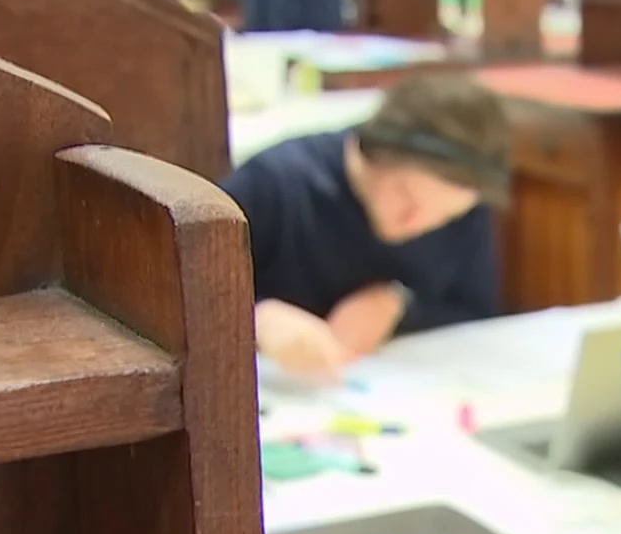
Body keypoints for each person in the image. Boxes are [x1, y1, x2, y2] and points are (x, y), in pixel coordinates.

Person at [218, 74, 510, 379]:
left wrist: (400, 305)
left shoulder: (465, 209)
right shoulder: (275, 184)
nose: (416, 224)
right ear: (371, 154)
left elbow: (476, 315)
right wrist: (253, 318)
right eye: (405, 196)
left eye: (445, 217)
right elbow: (175, 296)